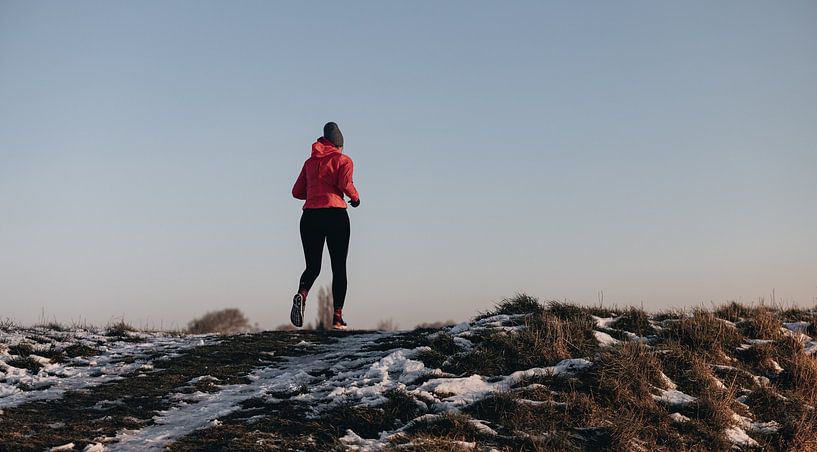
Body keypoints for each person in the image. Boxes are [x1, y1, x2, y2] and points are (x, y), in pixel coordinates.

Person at [291, 122, 360, 330]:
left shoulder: (309, 163)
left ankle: (302, 294)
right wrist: (355, 199)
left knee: (313, 266)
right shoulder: (343, 160)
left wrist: (314, 192)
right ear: (339, 145)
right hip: (335, 215)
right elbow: (344, 185)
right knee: (339, 267)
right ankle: (337, 317)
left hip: (310, 217)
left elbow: (296, 192)